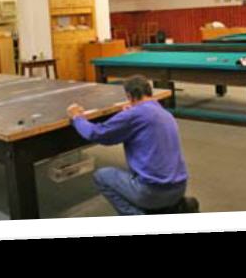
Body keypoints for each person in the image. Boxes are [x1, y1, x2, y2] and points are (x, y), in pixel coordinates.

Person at [67, 75, 199, 215]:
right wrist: (130, 114)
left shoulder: (134, 115)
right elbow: (142, 119)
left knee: (101, 176)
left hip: (153, 192)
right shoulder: (164, 113)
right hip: (179, 189)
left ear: (129, 96)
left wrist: (77, 117)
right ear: (149, 92)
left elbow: (97, 134)